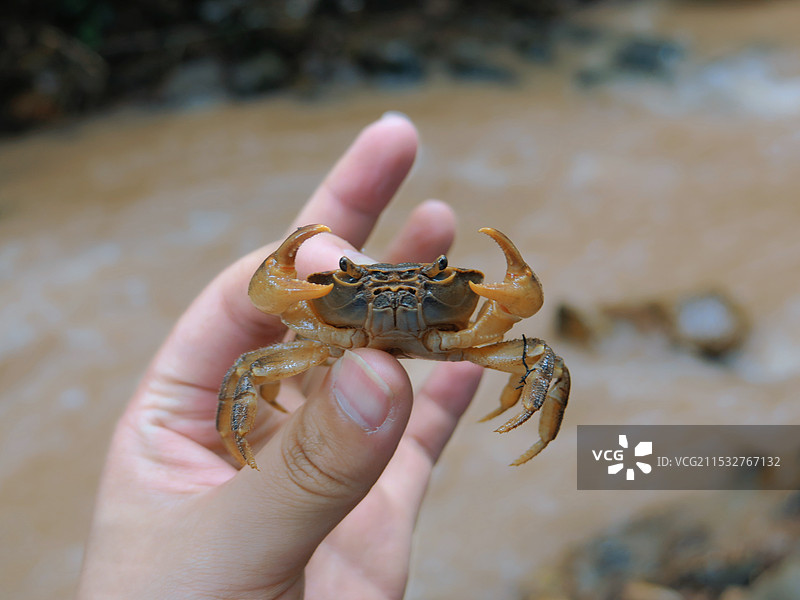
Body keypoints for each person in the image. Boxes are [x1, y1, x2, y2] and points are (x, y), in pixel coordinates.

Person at [78, 113, 483, 600]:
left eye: (432, 281)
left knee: (540, 361)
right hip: (349, 344)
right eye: (355, 281)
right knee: (250, 368)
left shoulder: (474, 321)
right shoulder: (312, 327)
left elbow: (529, 331)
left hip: (407, 346)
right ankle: (240, 445)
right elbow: (263, 325)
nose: (392, 299)